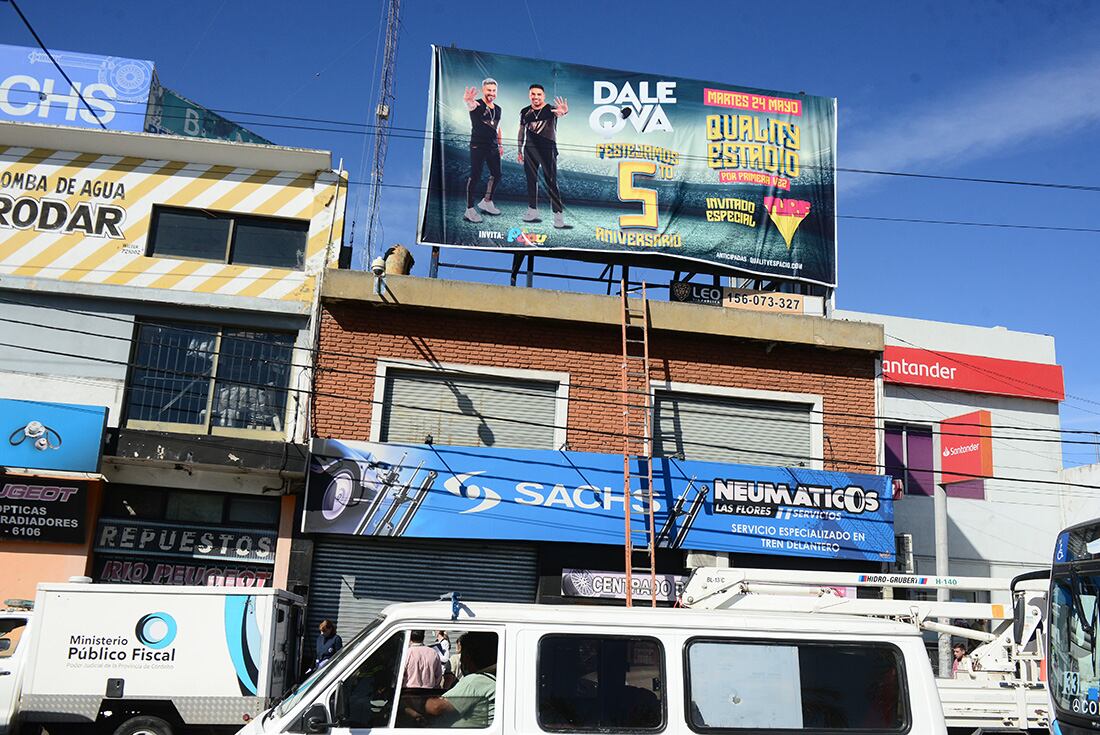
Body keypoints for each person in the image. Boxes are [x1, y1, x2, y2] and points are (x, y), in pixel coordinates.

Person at [517, 83, 569, 229]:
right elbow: (521, 131)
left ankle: (558, 215)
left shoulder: (551, 109)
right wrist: (519, 150)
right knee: (531, 181)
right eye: (533, 94)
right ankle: (532, 211)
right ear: (529, 95)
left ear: (543, 96)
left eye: (539, 94)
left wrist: (564, 112)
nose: (536, 97)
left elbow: (560, 113)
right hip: (529, 149)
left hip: (548, 149)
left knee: (551, 182)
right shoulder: (524, 111)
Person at [423, 631, 497, 727]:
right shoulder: (492, 678)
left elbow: (436, 708)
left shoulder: (475, 681)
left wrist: (411, 703)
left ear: (467, 656)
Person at [462, 79, 504, 224]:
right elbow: (471, 105)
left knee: (497, 174)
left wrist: (500, 144)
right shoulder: (477, 104)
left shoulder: (498, 109)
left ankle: (487, 201)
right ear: (483, 90)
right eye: (488, 90)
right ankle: (469, 209)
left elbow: (497, 127)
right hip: (478, 145)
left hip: (493, 146)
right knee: (475, 176)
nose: (491, 93)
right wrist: (468, 101)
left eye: (493, 91)